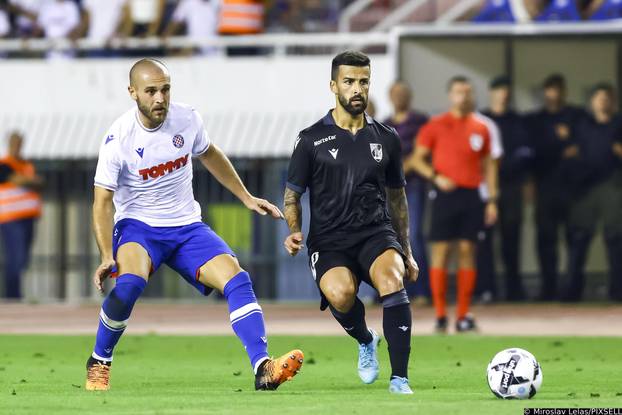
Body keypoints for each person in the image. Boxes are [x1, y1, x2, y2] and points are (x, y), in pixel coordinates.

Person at [85, 58, 303, 392]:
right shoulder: (118, 139)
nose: (160, 98)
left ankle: (263, 368)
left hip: (187, 227)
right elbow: (101, 202)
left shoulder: (187, 119)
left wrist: (245, 197)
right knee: (128, 286)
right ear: (132, 93)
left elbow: (210, 153)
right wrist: (105, 255)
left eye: (165, 89)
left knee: (237, 280)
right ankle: (100, 361)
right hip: (138, 227)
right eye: (151, 91)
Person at [284, 51, 419, 395]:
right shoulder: (310, 139)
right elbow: (291, 195)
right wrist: (294, 230)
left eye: (363, 81)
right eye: (349, 81)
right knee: (340, 294)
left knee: (392, 279)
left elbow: (397, 198)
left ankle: (400, 378)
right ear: (333, 86)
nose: (357, 89)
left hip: (376, 232)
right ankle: (365, 339)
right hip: (329, 241)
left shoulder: (386, 137)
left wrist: (407, 249)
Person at [408, 76, 499, 333]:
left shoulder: (481, 128)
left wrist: (492, 199)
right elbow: (416, 160)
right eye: (459, 92)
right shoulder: (436, 125)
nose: (464, 97)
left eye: (468, 92)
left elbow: (489, 165)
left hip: (472, 195)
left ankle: (462, 315)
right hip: (445, 195)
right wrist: (437, 176)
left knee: (468, 251)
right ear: (450, 95)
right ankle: (439, 315)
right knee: (442, 252)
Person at [526, 74, 585, 301]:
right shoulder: (537, 120)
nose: (555, 94)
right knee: (546, 240)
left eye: (558, 90)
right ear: (545, 92)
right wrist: (561, 147)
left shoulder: (576, 116)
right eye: (550, 90)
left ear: (564, 92)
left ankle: (573, 290)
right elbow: (535, 152)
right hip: (545, 187)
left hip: (572, 189)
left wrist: (568, 141)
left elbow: (584, 148)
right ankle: (548, 288)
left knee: (574, 240)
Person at [564, 83, 622, 302]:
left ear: (613, 101)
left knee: (615, 239)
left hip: (612, 185)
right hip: (585, 187)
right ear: (592, 101)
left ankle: (617, 291)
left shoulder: (619, 124)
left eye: (607, 98)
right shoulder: (582, 125)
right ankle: (571, 292)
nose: (603, 102)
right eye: (599, 98)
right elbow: (569, 150)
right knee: (579, 239)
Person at [479, 76, 532, 302]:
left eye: (506, 91)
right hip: (486, 187)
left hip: (511, 186)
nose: (503, 95)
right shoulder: (482, 120)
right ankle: (487, 289)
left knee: (512, 238)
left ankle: (514, 289)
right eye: (499, 90)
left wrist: (528, 183)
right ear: (492, 93)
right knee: (485, 241)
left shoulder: (518, 121)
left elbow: (526, 155)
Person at [383, 81, 430, 304]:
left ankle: (421, 291)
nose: (399, 97)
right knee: (388, 239)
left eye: (403, 93)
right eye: (396, 93)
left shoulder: (420, 122)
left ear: (409, 96)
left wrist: (400, 169)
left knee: (413, 238)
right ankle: (390, 291)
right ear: (390, 97)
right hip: (388, 191)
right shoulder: (383, 125)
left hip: (413, 188)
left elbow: (423, 153)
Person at [0, 132, 43, 299]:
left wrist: (29, 181)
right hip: (10, 219)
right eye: (14, 143)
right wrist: (31, 181)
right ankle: (12, 295)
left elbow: (39, 182)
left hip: (28, 218)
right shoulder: (4, 164)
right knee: (15, 257)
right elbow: (21, 180)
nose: (17, 146)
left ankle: (14, 294)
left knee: (23, 257)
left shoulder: (26, 164)